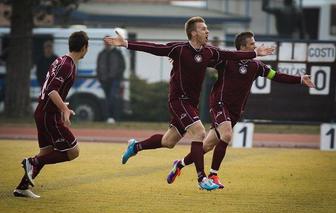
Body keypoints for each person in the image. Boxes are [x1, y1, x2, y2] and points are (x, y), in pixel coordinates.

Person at [104, 17, 274, 190]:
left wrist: (255, 54)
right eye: (203, 29)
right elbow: (154, 48)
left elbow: (231, 55)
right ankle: (202, 179)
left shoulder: (209, 52)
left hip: (191, 103)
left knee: (168, 141)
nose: (207, 31)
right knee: (199, 132)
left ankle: (136, 146)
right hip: (178, 100)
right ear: (193, 33)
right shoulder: (179, 49)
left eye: (207, 28)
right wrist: (126, 43)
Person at [166, 31, 315, 188]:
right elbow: (201, 59)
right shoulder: (226, 60)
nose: (255, 46)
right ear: (242, 47)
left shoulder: (256, 65)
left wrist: (299, 79)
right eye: (252, 44)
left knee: (207, 146)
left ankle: (179, 164)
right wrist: (180, 58)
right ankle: (213, 175)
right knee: (227, 134)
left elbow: (276, 76)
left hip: (235, 111)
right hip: (219, 104)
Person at [13, 31, 89, 198]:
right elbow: (51, 90)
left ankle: (22, 187)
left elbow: (52, 90)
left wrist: (62, 105)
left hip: (43, 112)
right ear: (84, 47)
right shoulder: (67, 65)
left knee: (46, 153)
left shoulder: (60, 60)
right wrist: (64, 109)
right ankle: (32, 162)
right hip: (49, 115)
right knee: (73, 151)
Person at [97, 37, 125, 123]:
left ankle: (114, 117)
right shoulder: (101, 54)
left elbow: (122, 66)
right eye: (105, 42)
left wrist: (118, 76)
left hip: (115, 80)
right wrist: (100, 78)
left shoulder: (117, 53)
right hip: (104, 81)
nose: (106, 44)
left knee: (113, 98)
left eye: (108, 42)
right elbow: (98, 67)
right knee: (107, 99)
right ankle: (108, 117)